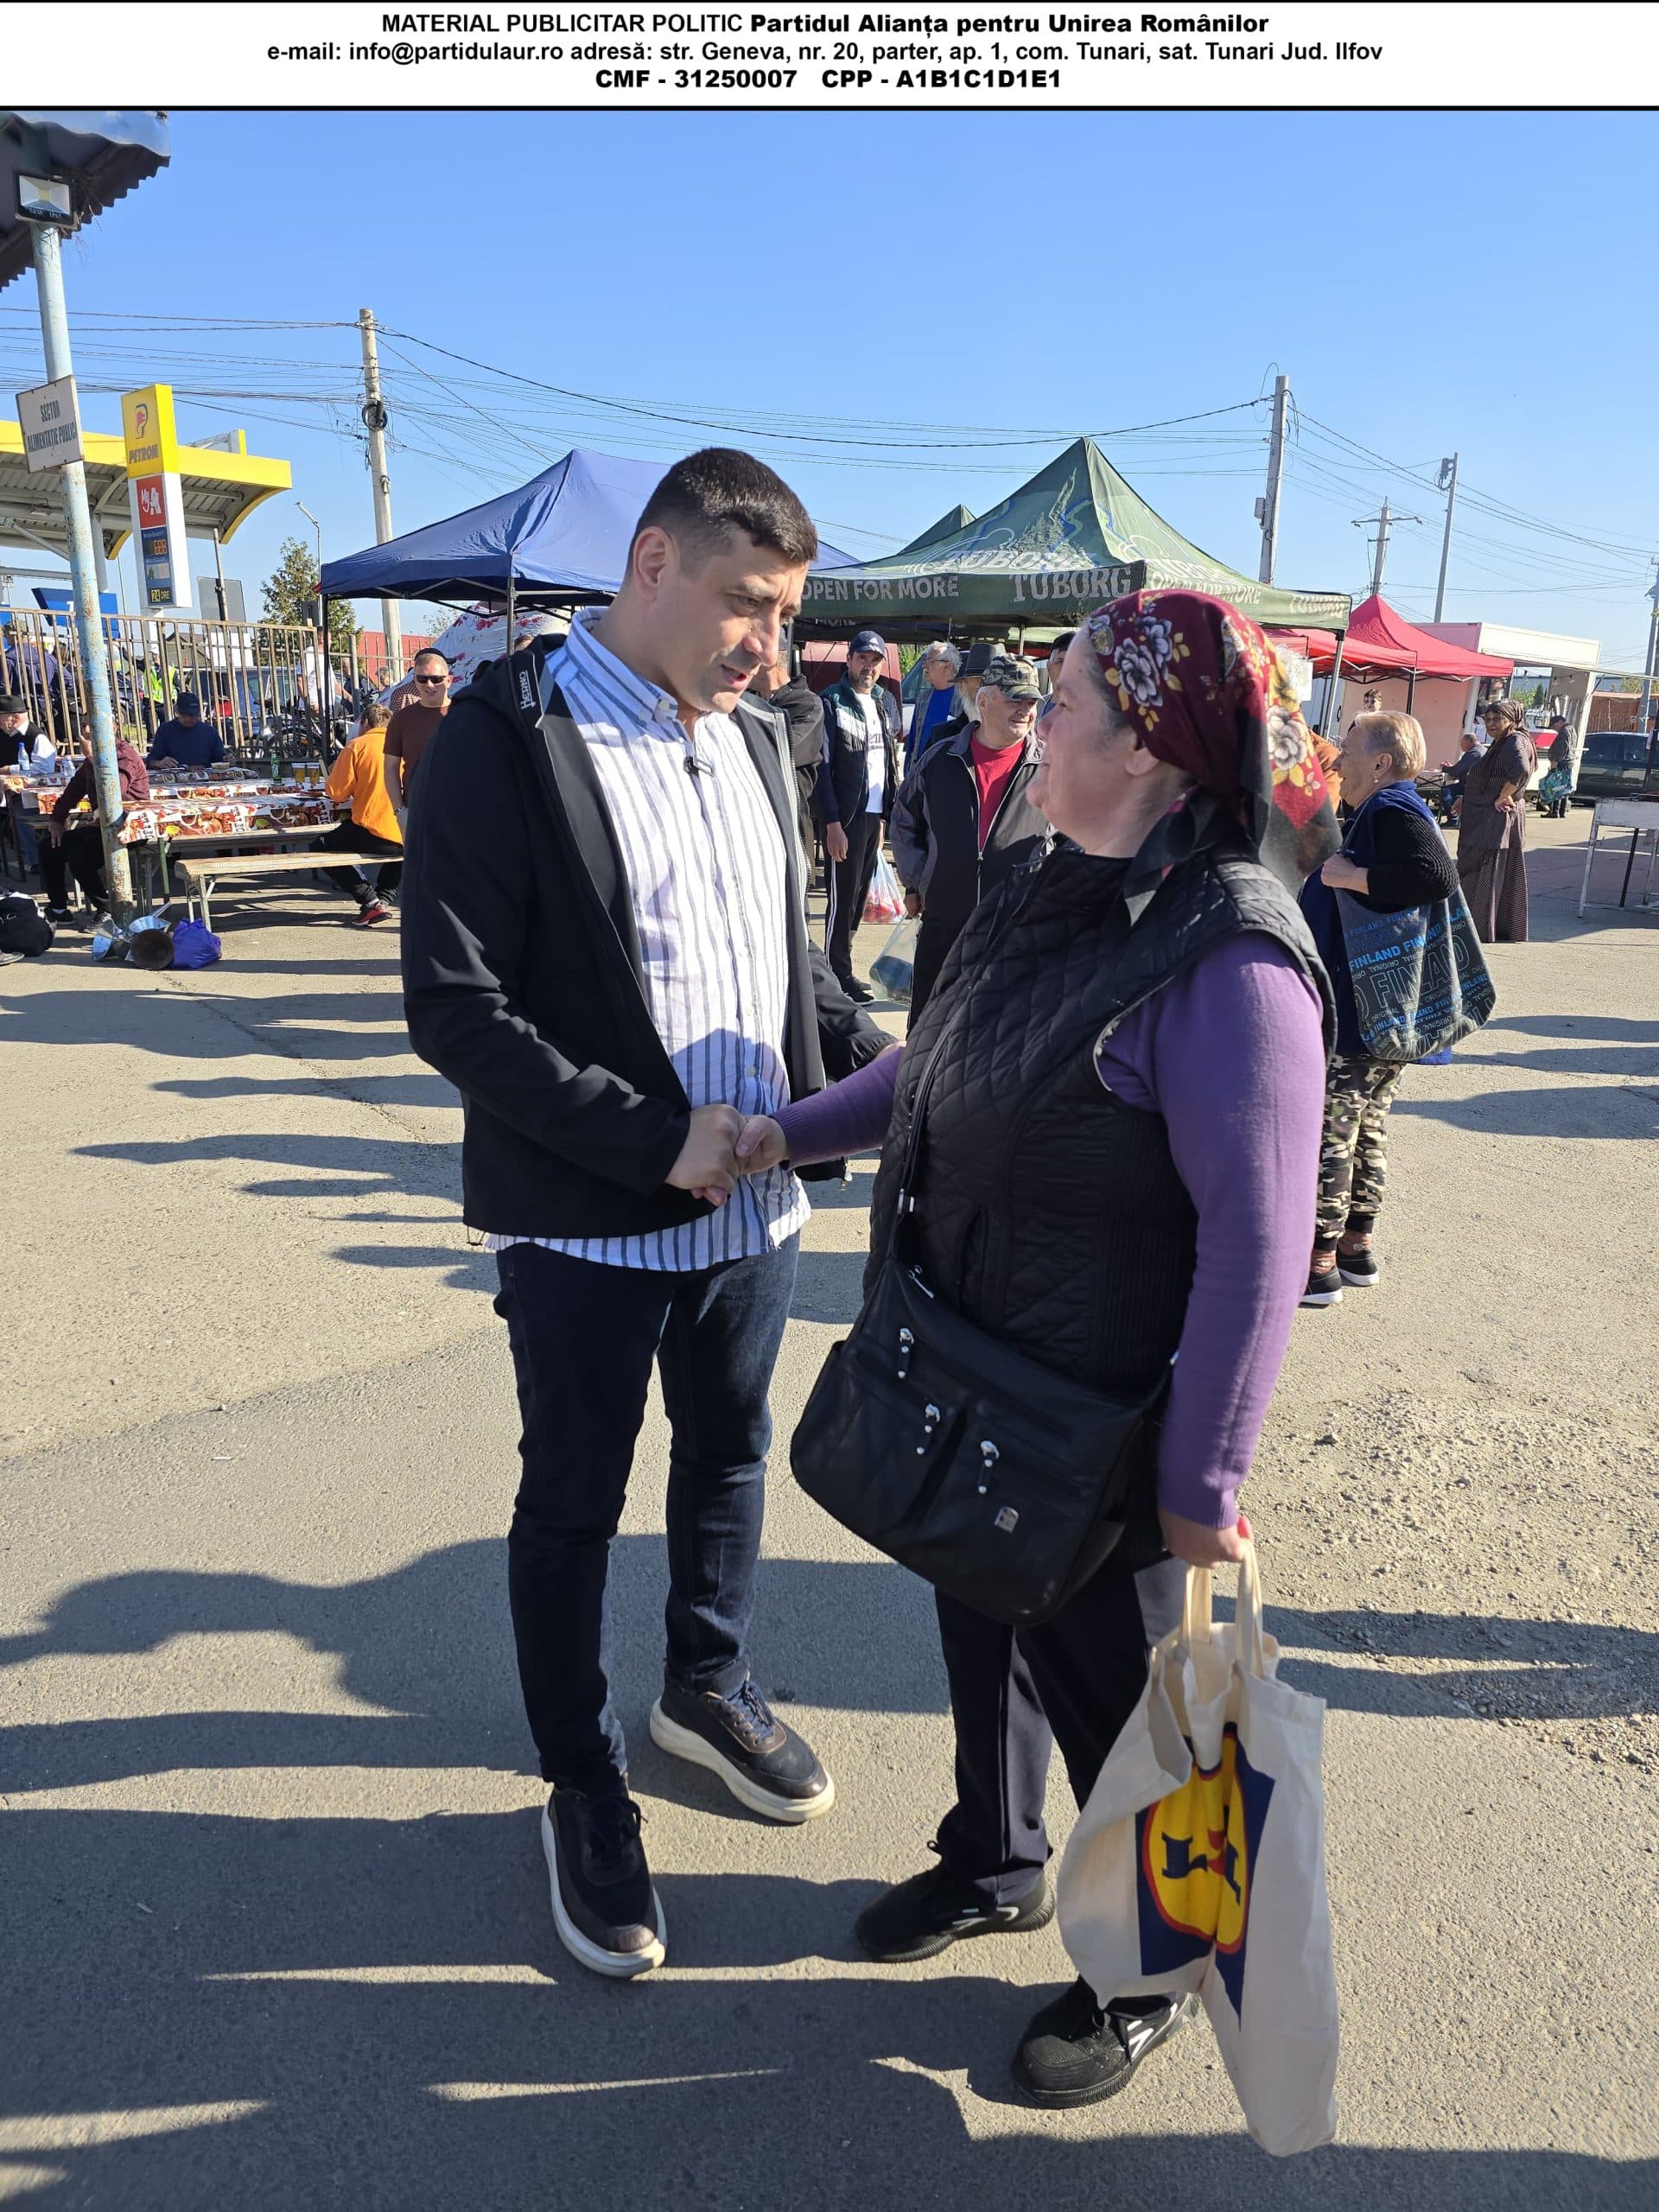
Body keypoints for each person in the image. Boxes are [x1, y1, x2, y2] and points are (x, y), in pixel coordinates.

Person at [735, 589, 1336, 2108]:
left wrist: (1203, 1487)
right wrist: (785, 1136)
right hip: (977, 1375)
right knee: (978, 1628)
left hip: (1106, 1429)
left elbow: (1260, 1248)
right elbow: (939, 1063)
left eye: (1062, 702)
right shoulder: (1039, 877)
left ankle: (1151, 1967)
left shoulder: (1235, 966)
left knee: (1124, 1713)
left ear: (1146, 749)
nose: (1027, 719)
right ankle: (993, 1860)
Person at [399, 448, 889, 1982]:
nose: (769, 644)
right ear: (653, 564)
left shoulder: (760, 739)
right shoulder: (511, 736)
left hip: (757, 1219)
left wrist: (880, 1060)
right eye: (748, 604)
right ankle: (582, 1777)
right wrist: (650, 1140)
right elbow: (456, 1007)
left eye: (788, 614)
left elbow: (786, 961)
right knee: (574, 1503)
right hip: (586, 1228)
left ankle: (705, 1685)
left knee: (731, 1454)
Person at [1295, 712, 1459, 1307]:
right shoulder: (1389, 808)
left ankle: (1318, 1262)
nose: (1339, 759)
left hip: (1362, 1010)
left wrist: (1354, 875)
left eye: (1349, 749)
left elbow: (1436, 875)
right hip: (1381, 1007)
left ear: (1382, 762)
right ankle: (1356, 1247)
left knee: (1331, 1131)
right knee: (1366, 1129)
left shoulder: (1393, 807)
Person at [889, 653, 1050, 1024]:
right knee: (929, 1036)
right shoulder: (940, 760)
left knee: (1001, 1040)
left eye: (1031, 702)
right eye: (1015, 699)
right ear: (984, 701)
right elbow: (903, 822)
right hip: (944, 929)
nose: (1025, 711)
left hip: (1014, 935)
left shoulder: (1050, 769)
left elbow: (1071, 842)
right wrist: (919, 881)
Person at [819, 626, 903, 1002]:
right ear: (849, 659)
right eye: (863, 658)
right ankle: (836, 975)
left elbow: (886, 762)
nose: (869, 666)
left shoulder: (883, 702)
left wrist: (884, 817)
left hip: (873, 816)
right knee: (841, 901)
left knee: (857, 900)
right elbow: (822, 767)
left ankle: (844, 969)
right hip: (846, 818)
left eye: (875, 660)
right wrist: (832, 823)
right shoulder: (832, 702)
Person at [40, 734, 150, 924]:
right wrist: (57, 819)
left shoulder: (124, 755)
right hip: (102, 827)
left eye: (93, 731)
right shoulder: (90, 763)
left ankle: (107, 908)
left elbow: (114, 793)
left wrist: (92, 758)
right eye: (86, 733)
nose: (89, 737)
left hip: (131, 827)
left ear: (111, 728)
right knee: (49, 845)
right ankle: (58, 909)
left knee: (80, 859)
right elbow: (72, 792)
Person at [312, 702, 404, 927]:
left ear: (365, 723)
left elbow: (337, 793)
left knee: (320, 847)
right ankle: (384, 898)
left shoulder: (357, 746)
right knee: (401, 847)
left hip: (373, 828)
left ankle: (370, 901)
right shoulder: (403, 745)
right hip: (407, 828)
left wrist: (335, 772)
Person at [1457, 696, 1536, 942]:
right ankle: (1487, 926)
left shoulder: (1515, 740)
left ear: (1512, 719)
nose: (1491, 723)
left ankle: (1479, 927)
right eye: (1488, 719)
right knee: (1487, 870)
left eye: (1497, 718)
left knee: (1482, 869)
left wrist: (1504, 795)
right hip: (1486, 814)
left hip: (1494, 819)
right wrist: (1466, 797)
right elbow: (1489, 776)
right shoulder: (1503, 742)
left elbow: (1521, 770)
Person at [753, 646, 827, 866]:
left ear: (770, 660)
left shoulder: (807, 705)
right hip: (750, 829)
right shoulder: (745, 703)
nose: (741, 665)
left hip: (789, 832)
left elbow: (782, 750)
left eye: (749, 656)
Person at [382, 649, 452, 822]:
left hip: (460, 812)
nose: (429, 685)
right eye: (422, 679)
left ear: (449, 680)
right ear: (415, 681)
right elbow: (390, 767)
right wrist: (399, 811)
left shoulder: (466, 714)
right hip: (416, 811)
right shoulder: (402, 719)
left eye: (436, 679)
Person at [904, 641, 963, 772]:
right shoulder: (923, 698)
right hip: (921, 772)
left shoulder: (964, 699)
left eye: (930, 661)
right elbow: (913, 739)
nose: (924, 665)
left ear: (947, 666)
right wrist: (908, 771)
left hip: (948, 772)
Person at [147, 693, 225, 772]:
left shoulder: (210, 732)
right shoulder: (165, 731)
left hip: (205, 775)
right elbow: (151, 761)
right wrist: (159, 763)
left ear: (198, 714)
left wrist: (227, 759)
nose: (188, 719)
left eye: (193, 716)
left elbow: (221, 759)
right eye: (184, 716)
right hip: (176, 775)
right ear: (177, 712)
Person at [0, 690, 51, 766]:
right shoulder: (4, 732)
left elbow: (45, 767)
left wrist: (10, 770)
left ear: (16, 718)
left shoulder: (37, 737)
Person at [1038, 630, 1076, 719]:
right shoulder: (1034, 707)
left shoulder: (1094, 712)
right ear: (1049, 667)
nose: (1066, 668)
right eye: (1060, 661)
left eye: (1073, 662)